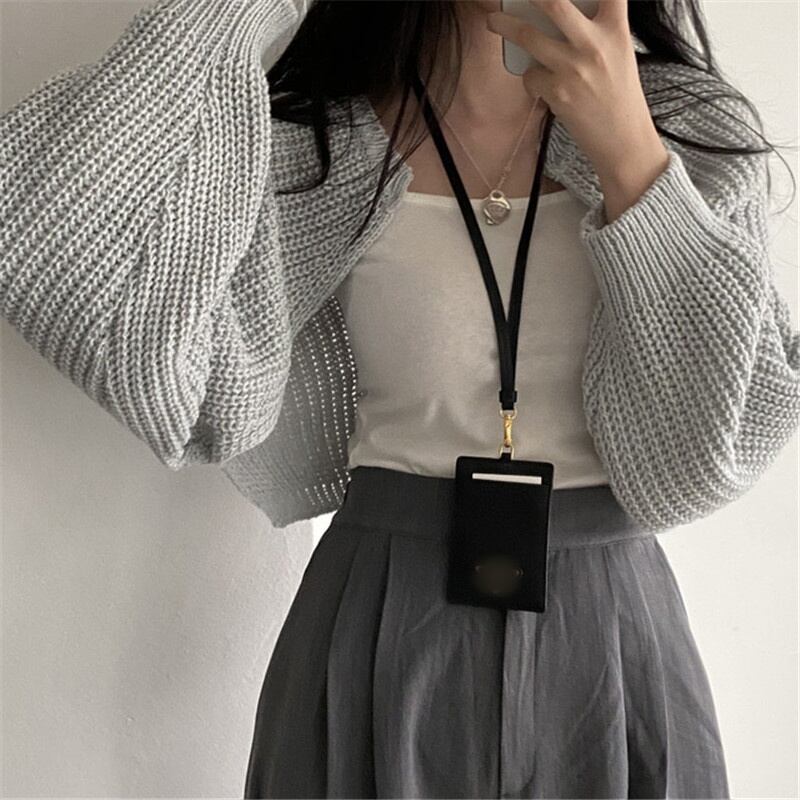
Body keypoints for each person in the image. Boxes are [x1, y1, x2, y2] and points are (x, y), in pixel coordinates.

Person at [1, 0, 798, 797]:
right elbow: (82, 284)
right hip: (381, 614)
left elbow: (705, 460)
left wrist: (631, 157)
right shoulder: (312, 142)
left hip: (612, 640)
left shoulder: (689, 132)